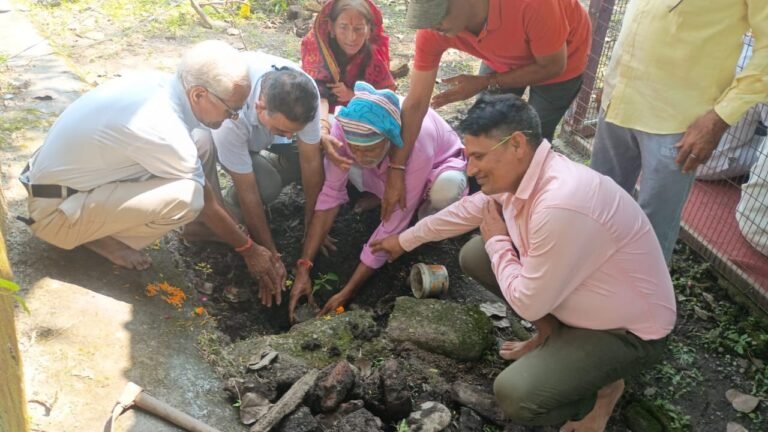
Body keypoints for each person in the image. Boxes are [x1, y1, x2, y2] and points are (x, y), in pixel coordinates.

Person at [372, 94, 676, 430]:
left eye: (478, 157)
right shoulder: (526, 174)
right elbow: (469, 211)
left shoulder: (560, 204)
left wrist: (499, 240)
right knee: (476, 254)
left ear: (516, 144)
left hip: (626, 331)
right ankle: (551, 338)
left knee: (516, 394)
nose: (470, 170)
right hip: (583, 297)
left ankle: (599, 393)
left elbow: (528, 303)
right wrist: (403, 240)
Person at [19, 40, 251, 272]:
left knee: (201, 142)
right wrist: (249, 249)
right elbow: (206, 203)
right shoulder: (164, 128)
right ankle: (96, 238)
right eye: (231, 110)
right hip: (53, 217)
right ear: (199, 94)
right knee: (188, 198)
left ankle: (92, 228)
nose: (234, 118)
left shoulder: (159, 84)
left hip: (53, 189)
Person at [378, 0, 591, 226]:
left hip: (560, 60)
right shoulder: (434, 28)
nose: (433, 25)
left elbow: (552, 65)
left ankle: (517, 217)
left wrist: (485, 82)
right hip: (504, 55)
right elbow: (416, 103)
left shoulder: (533, 4)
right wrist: (396, 168)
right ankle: (477, 203)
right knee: (486, 129)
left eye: (440, 15)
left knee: (529, 142)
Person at [589, 1, 768, 263]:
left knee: (651, 232)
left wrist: (719, 118)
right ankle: (587, 276)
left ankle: (640, 300)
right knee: (598, 205)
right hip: (619, 102)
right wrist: (614, 80)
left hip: (676, 123)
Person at [288, 82, 467, 322]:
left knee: (443, 192)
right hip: (383, 170)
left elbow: (391, 227)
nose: (359, 156)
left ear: (389, 140)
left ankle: (424, 214)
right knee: (344, 166)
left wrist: (348, 293)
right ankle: (382, 194)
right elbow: (330, 195)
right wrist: (304, 266)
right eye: (355, 149)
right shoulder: (346, 131)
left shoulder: (416, 147)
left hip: (436, 168)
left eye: (369, 150)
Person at [184, 51, 329, 306]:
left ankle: (266, 162)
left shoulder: (306, 97)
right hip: (212, 134)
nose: (287, 136)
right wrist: (268, 258)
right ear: (260, 107)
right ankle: (209, 218)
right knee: (264, 187)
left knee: (314, 157)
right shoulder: (232, 118)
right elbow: (248, 190)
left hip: (256, 138)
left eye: (292, 132)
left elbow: (310, 161)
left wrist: (313, 226)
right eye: (282, 130)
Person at [301, 0, 395, 124]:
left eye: (359, 29)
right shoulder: (315, 46)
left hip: (363, 119)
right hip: (321, 112)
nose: (352, 37)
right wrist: (323, 126)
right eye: (343, 27)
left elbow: (387, 100)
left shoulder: (373, 57)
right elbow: (316, 94)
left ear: (369, 30)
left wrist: (353, 95)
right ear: (331, 27)